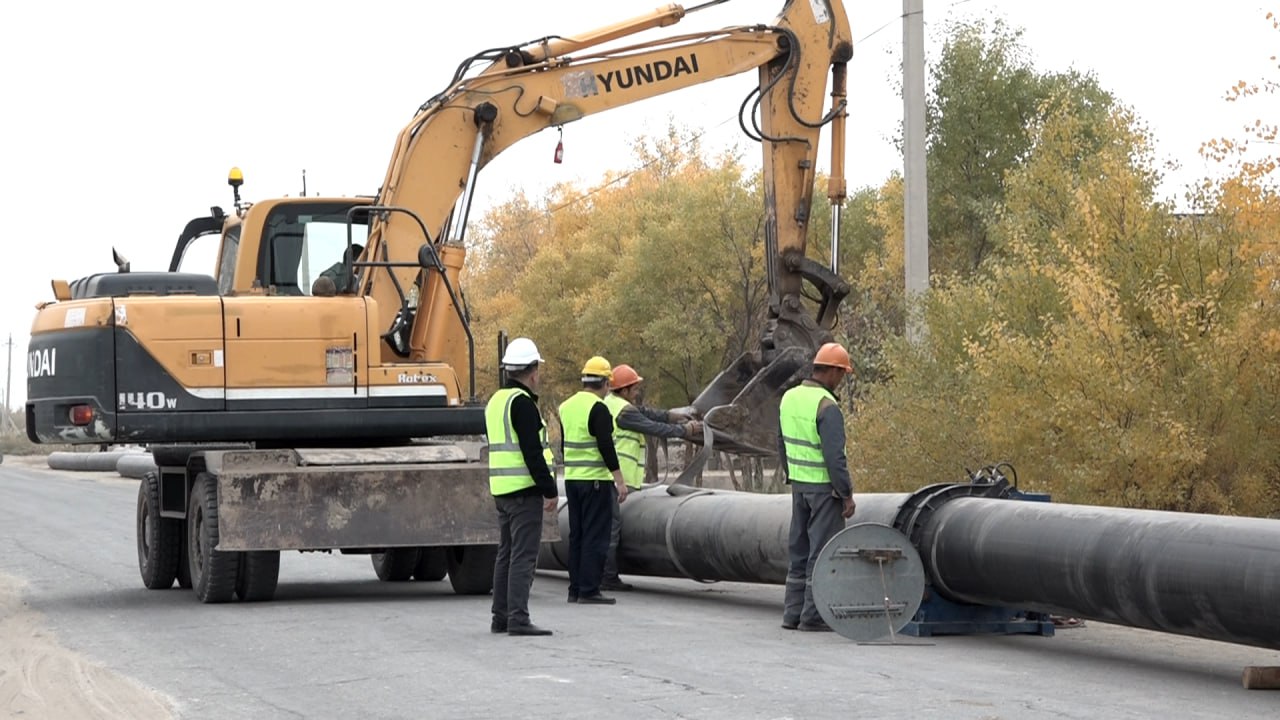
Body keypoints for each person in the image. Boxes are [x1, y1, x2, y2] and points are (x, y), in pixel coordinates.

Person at [600, 364, 702, 591]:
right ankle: (607, 578)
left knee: (604, 527)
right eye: (634, 388)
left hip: (609, 477)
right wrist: (685, 431)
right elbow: (652, 427)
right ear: (624, 390)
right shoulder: (624, 412)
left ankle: (599, 575)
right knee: (610, 529)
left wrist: (673, 416)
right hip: (616, 479)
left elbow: (647, 413)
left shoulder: (612, 404)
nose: (637, 392)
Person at [779, 342, 857, 632]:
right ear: (833, 372)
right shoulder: (827, 406)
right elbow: (835, 458)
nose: (842, 380)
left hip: (800, 486)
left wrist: (793, 475)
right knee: (822, 552)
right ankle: (813, 616)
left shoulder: (789, 398)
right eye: (842, 374)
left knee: (799, 550)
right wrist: (846, 494)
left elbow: (781, 443)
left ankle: (792, 613)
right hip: (824, 490)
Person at [486, 337, 559, 636]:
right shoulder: (523, 404)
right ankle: (518, 618)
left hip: (502, 490)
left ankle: (500, 617)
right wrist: (549, 489)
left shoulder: (496, 401)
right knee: (523, 556)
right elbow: (532, 452)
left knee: (506, 554)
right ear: (532, 372)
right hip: (523, 491)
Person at [558, 356, 629, 605]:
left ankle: (575, 589)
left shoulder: (566, 406)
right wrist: (619, 480)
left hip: (572, 480)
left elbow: (564, 445)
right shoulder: (599, 408)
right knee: (595, 536)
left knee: (577, 535)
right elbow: (606, 446)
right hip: (595, 482)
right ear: (606, 383)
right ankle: (589, 590)